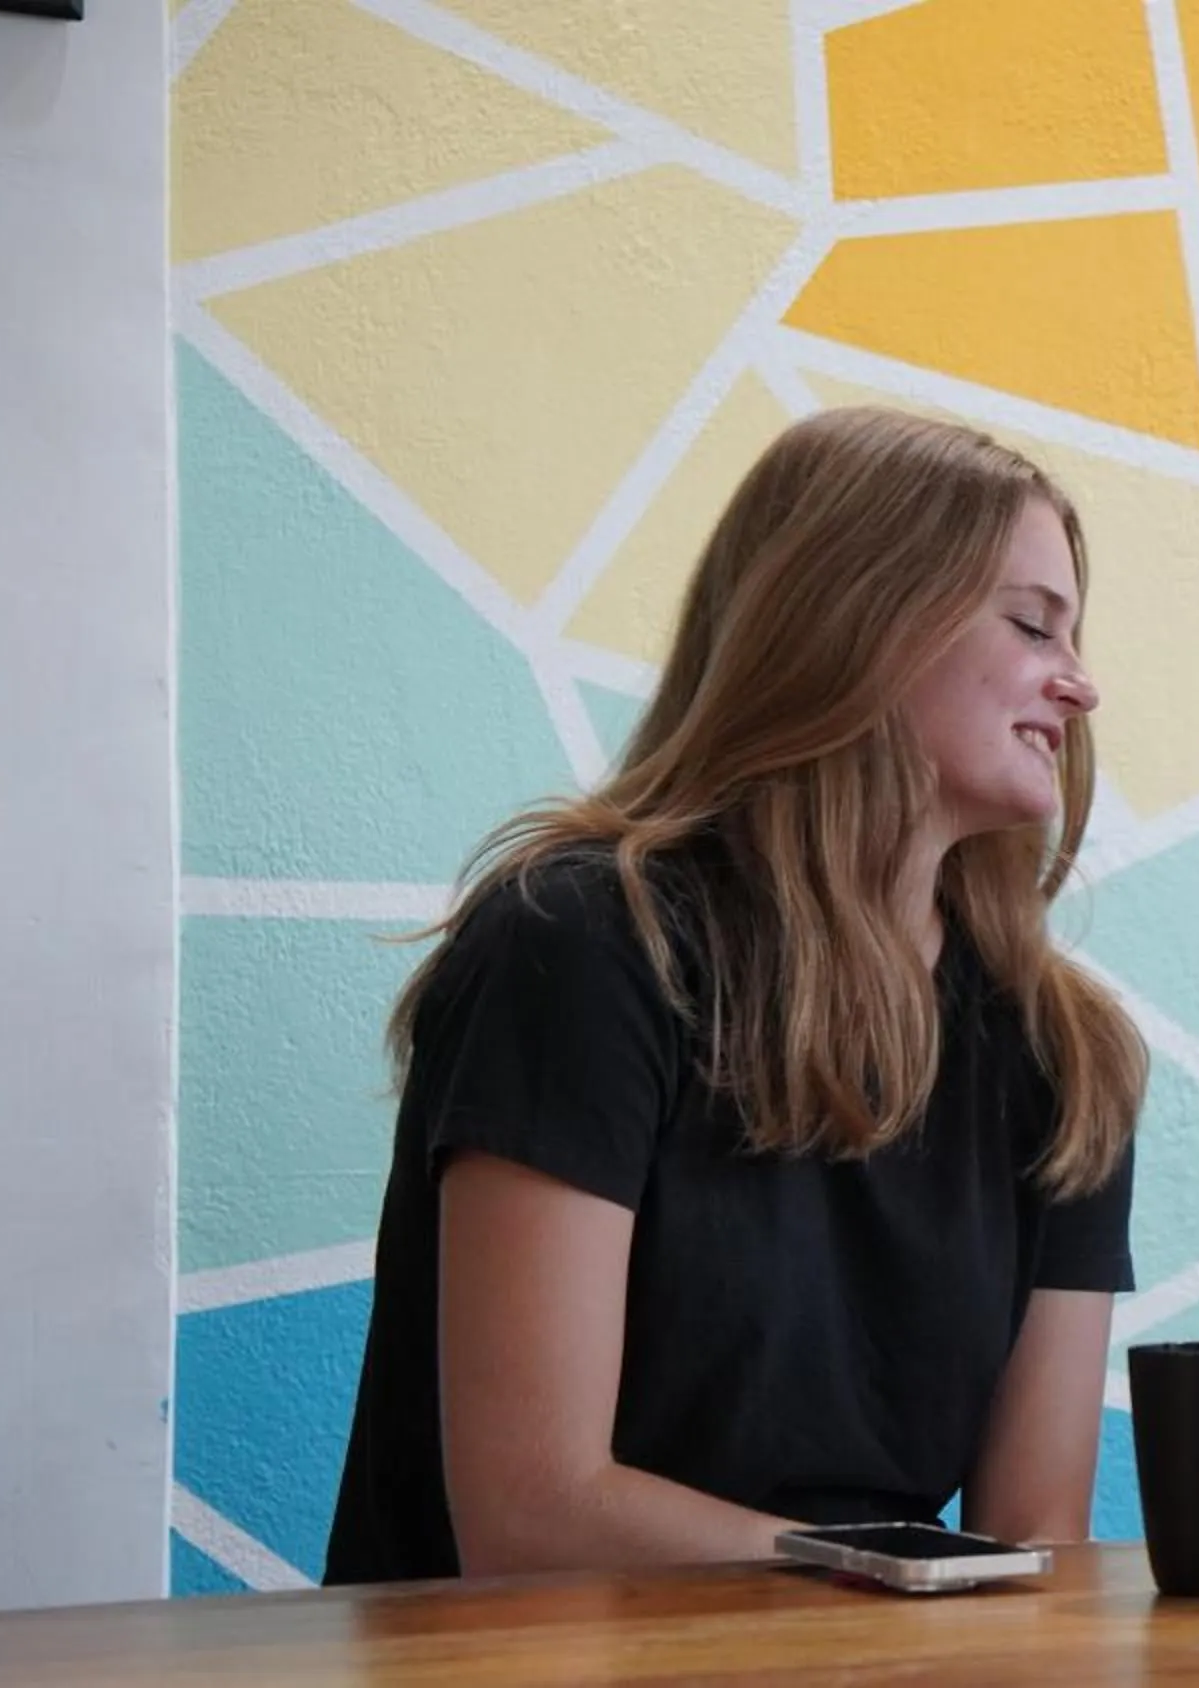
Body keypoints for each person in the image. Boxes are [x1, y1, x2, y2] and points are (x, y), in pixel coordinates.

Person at [323, 407, 1146, 1582]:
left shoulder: (1066, 1058)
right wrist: (903, 1577)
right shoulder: (579, 944)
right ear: (860, 615)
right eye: (1031, 624)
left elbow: (1033, 1544)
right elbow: (532, 1511)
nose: (1080, 686)